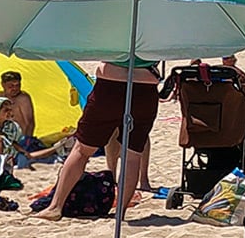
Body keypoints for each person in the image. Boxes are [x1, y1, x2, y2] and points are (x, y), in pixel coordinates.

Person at [33, 61, 161, 221]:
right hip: (145, 86)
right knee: (132, 155)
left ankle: (55, 207)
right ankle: (120, 213)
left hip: (110, 84)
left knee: (81, 150)